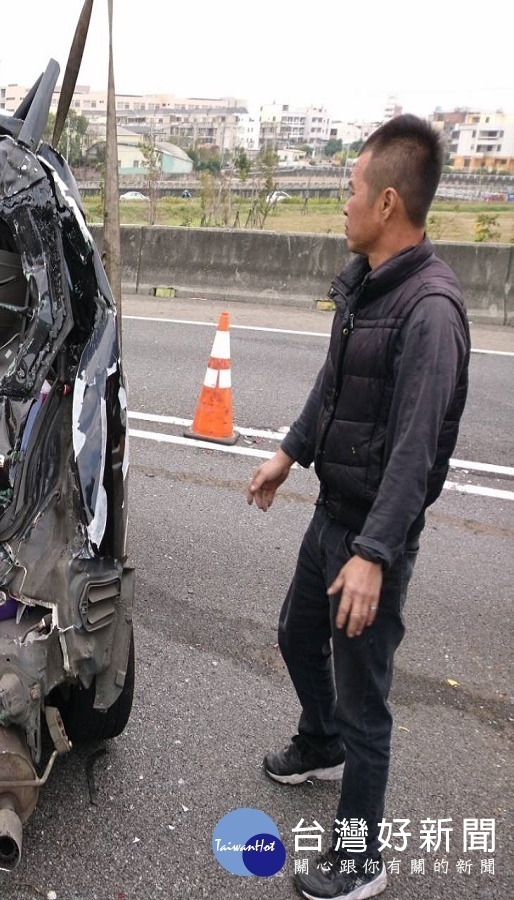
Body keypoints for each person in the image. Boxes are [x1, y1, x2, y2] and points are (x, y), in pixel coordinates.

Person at [247, 114, 470, 900]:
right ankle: (319, 740)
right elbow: (333, 389)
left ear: (385, 203)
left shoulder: (429, 313)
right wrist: (288, 452)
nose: (341, 206)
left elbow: (415, 452)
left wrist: (374, 555)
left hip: (372, 535)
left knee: (367, 699)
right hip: (331, 514)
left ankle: (360, 857)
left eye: (348, 193)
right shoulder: (368, 289)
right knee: (294, 633)